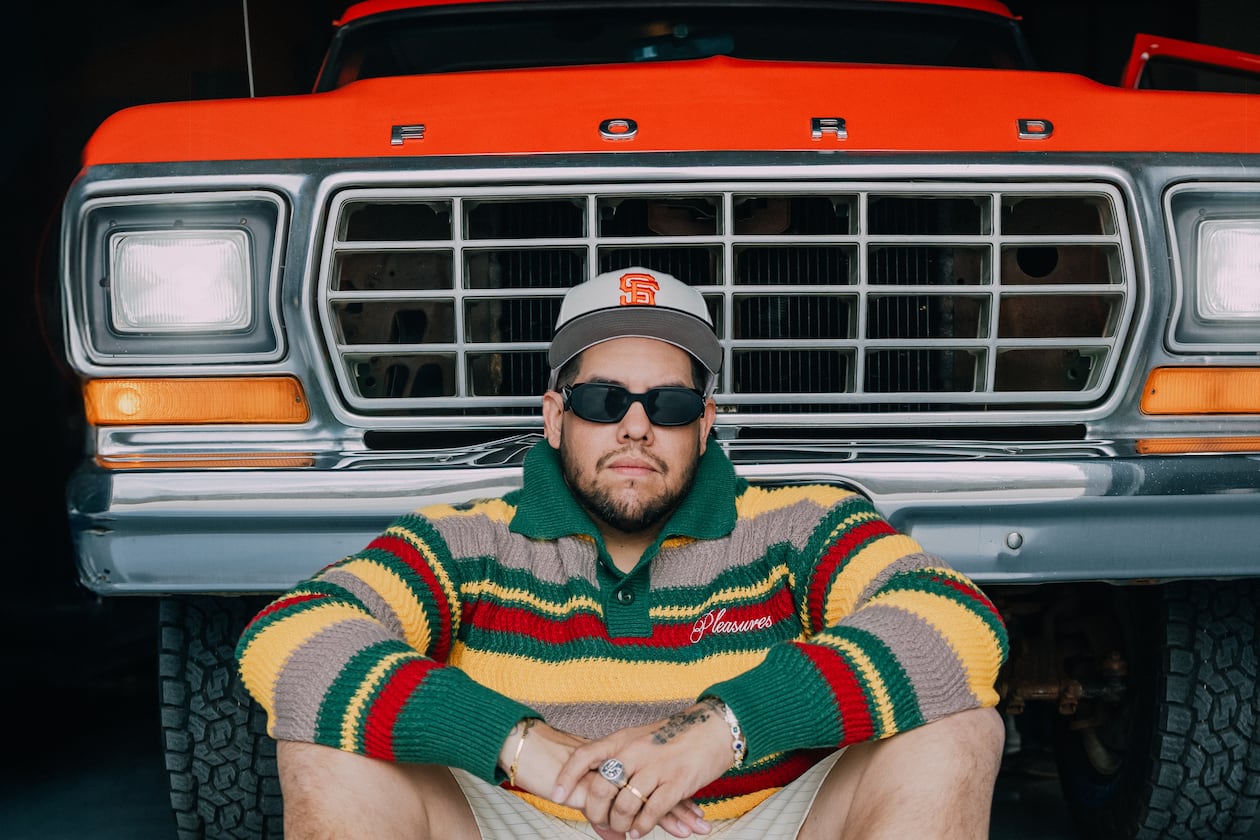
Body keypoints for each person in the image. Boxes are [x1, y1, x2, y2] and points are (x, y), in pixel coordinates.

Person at [236, 266, 1009, 840]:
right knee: (328, 745)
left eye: (667, 405)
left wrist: (722, 731)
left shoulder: (799, 525)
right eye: (604, 400)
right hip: (527, 822)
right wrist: (519, 744)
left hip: (745, 824)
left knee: (957, 731)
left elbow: (955, 621)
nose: (635, 427)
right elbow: (290, 633)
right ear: (554, 416)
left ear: (704, 425)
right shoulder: (464, 539)